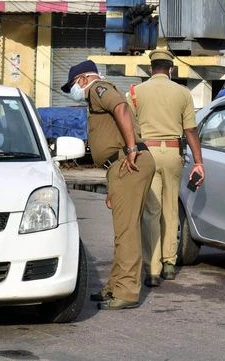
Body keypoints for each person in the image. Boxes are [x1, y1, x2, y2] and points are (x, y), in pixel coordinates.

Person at [61, 60, 155, 310]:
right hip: (120, 166)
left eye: (72, 86)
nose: (73, 92)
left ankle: (126, 291)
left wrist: (132, 148)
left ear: (82, 80)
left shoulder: (97, 89)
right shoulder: (94, 97)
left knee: (127, 231)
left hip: (128, 162)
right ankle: (115, 285)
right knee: (123, 230)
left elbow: (121, 107)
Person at [128, 51, 204, 287]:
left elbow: (128, 126)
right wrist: (199, 162)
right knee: (171, 208)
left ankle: (152, 270)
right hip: (173, 153)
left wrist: (130, 152)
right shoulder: (183, 93)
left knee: (152, 211)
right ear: (171, 69)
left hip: (146, 153)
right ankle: (169, 264)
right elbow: (190, 131)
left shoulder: (135, 93)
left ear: (151, 69)